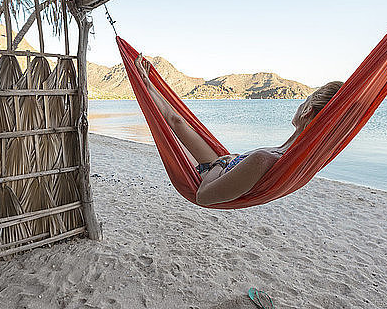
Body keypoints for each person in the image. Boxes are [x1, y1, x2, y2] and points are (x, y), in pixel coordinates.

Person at [135, 54, 343, 206]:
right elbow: (175, 120)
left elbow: (203, 196)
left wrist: (219, 163)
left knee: (175, 122)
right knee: (176, 121)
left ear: (307, 111)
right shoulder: (286, 154)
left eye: (303, 101)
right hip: (222, 164)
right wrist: (148, 84)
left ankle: (146, 83)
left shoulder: (265, 159)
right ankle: (146, 83)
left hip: (210, 173)